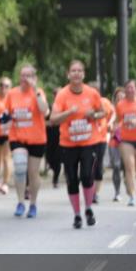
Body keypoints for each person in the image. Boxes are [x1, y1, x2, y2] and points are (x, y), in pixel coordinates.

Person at [49, 61, 104, 229]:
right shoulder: (62, 95)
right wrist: (69, 112)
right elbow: (53, 119)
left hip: (89, 142)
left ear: (83, 74)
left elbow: (103, 112)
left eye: (79, 71)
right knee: (72, 179)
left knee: (87, 175)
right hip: (68, 143)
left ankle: (88, 208)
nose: (76, 73)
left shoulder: (92, 93)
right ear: (68, 74)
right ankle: (77, 215)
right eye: (73, 71)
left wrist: (93, 114)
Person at [3, 65, 49, 217]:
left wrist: (36, 90)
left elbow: (45, 111)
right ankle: (21, 202)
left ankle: (33, 204)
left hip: (37, 138)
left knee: (33, 172)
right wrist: (5, 123)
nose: (25, 79)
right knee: (20, 167)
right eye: (23, 75)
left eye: (29, 75)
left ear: (34, 77)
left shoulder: (38, 92)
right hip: (18, 137)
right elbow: (5, 114)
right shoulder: (12, 93)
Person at [89, 80, 115, 204]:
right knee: (88, 166)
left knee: (98, 166)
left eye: (95, 90)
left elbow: (113, 112)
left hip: (101, 138)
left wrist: (110, 122)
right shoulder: (84, 103)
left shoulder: (104, 102)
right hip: (87, 139)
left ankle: (95, 193)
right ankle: (89, 190)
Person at [108, 87, 126, 202]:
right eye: (118, 98)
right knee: (116, 166)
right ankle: (117, 192)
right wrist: (110, 125)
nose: (120, 100)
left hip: (127, 141)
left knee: (127, 167)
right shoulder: (111, 110)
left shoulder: (129, 109)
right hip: (114, 141)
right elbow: (106, 122)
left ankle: (130, 188)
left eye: (122, 97)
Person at [44, 87, 63, 189]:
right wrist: (50, 123)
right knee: (49, 158)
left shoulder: (65, 107)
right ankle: (52, 168)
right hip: (49, 137)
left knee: (58, 159)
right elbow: (42, 122)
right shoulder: (49, 108)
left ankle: (55, 180)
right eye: (56, 94)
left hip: (61, 138)